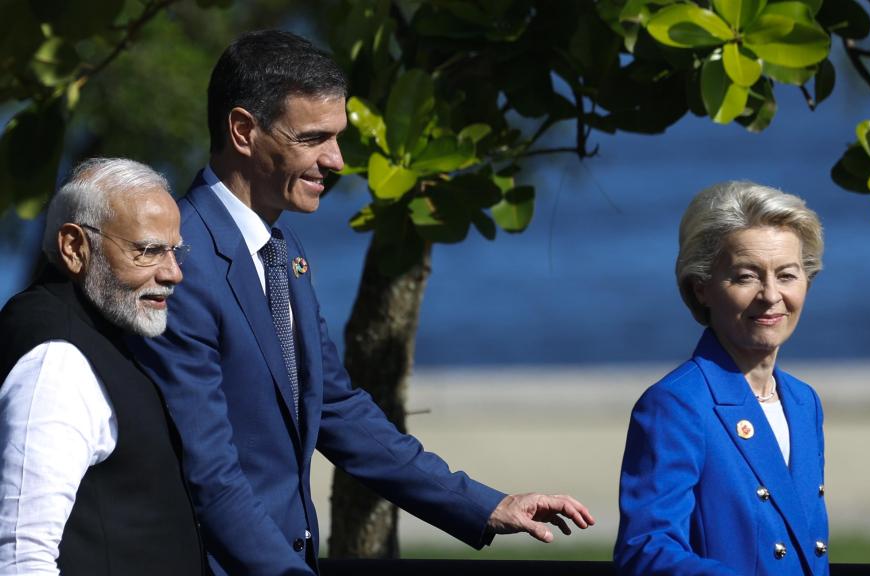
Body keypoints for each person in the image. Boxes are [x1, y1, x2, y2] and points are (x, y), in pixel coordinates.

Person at [127, 29, 594, 575]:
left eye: (339, 136)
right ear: (243, 131)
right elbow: (211, 476)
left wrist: (485, 505)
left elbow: (336, 409)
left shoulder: (281, 251)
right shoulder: (182, 265)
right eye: (313, 138)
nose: (338, 161)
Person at [0, 158, 205, 575]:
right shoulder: (56, 363)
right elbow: (22, 556)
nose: (174, 273)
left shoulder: (100, 331)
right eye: (148, 251)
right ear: (75, 247)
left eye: (174, 251)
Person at [614, 181, 829, 576]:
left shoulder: (804, 402)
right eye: (746, 277)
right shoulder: (676, 404)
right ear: (701, 289)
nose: (770, 295)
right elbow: (646, 551)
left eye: (786, 275)